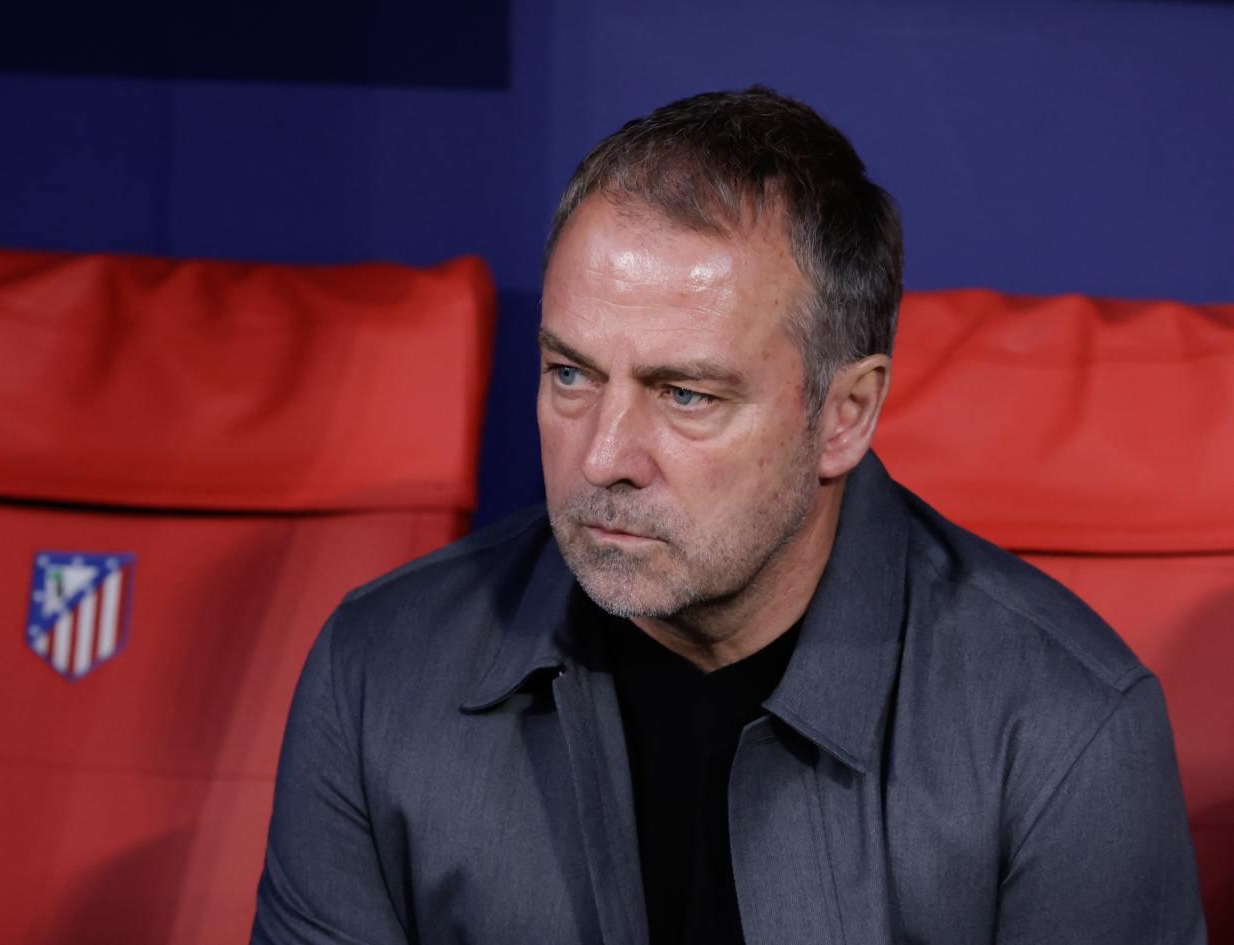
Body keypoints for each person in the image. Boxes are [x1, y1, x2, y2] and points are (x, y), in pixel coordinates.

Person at [252, 87, 1205, 945]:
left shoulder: (1065, 731)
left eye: (686, 395)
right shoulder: (379, 672)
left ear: (845, 415)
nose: (603, 458)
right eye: (571, 374)